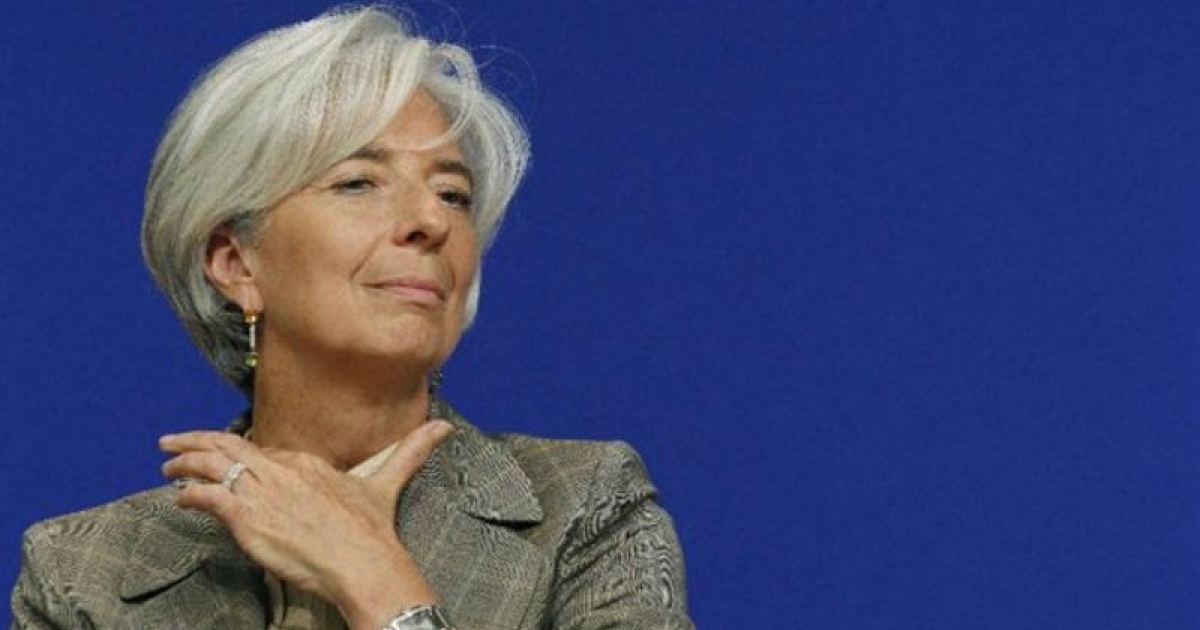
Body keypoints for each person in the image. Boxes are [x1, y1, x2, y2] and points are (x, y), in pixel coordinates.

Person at [8, 6, 693, 630]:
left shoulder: (587, 508)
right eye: (359, 182)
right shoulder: (82, 574)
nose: (430, 222)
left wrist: (377, 583)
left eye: (452, 194)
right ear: (235, 263)